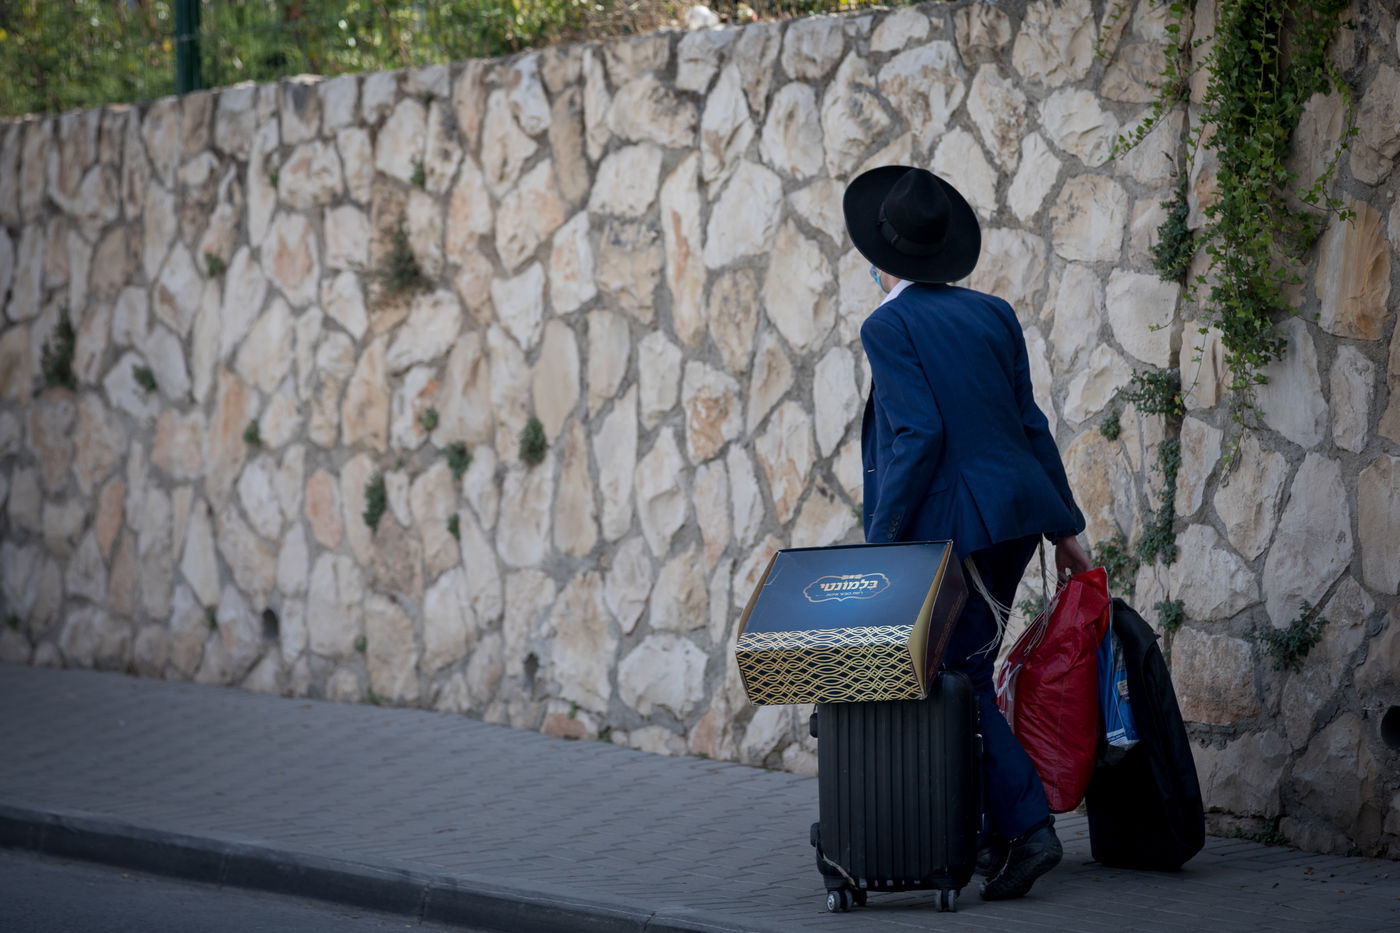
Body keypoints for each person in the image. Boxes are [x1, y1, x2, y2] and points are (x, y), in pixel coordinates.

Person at [843, 165, 1092, 901]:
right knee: (965, 667)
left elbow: (918, 434)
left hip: (953, 530)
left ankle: (1026, 826)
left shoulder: (886, 324)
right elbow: (1030, 424)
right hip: (1015, 519)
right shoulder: (993, 312)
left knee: (957, 677)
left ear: (880, 255)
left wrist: (885, 544)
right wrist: (1065, 526)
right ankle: (987, 830)